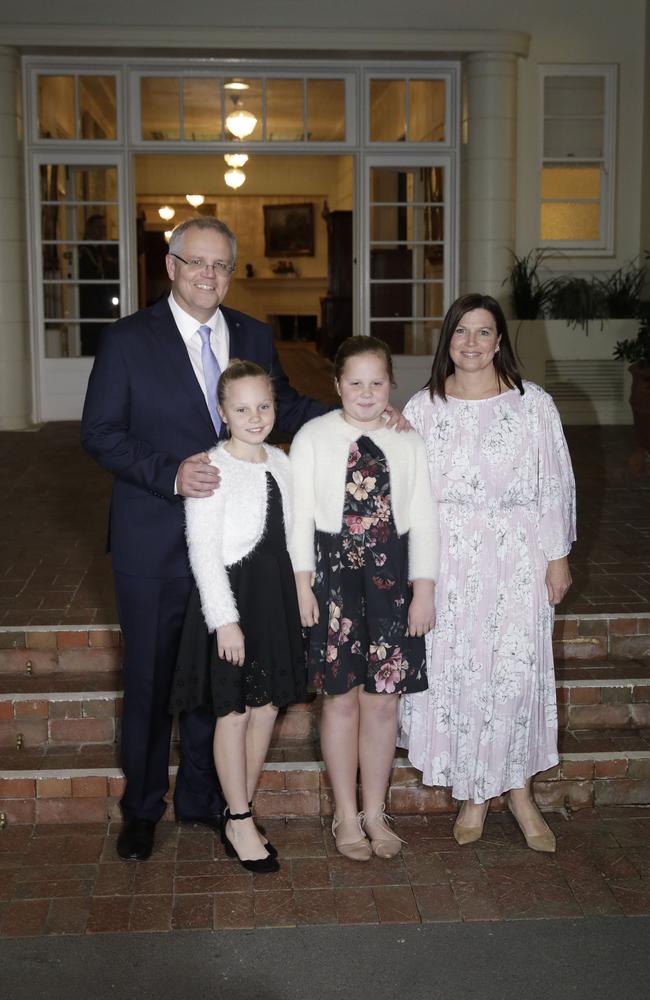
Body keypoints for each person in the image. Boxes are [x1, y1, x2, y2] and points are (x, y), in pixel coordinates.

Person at [81, 217, 330, 863]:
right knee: (152, 680)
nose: (208, 276)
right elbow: (101, 432)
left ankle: (204, 799)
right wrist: (169, 474)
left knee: (217, 684)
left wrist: (358, 409)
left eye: (220, 265)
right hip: (154, 543)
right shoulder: (128, 340)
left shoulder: (250, 333)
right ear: (170, 266)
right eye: (196, 263)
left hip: (236, 553)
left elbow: (285, 406)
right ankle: (140, 810)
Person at [398, 293, 576, 853]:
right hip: (449, 560)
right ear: (446, 340)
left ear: (499, 340)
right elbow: (406, 492)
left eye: (483, 332)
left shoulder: (533, 404)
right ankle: (474, 795)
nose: (471, 343)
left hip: (518, 557)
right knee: (464, 673)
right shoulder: (423, 408)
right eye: (460, 332)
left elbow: (555, 483)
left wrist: (557, 554)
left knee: (515, 674)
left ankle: (519, 792)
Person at [289, 336, 439, 861]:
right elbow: (298, 516)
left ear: (391, 385)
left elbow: (424, 519)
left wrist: (424, 591)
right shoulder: (313, 436)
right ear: (336, 385)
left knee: (382, 701)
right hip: (334, 582)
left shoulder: (408, 441)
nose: (367, 392)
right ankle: (344, 814)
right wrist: (303, 582)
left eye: (377, 382)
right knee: (340, 699)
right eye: (355, 382)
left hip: (391, 584)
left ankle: (375, 811)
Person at [170, 360, 304, 874]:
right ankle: (243, 815)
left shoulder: (282, 460)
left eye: (264, 406)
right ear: (222, 412)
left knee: (267, 707)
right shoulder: (210, 466)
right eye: (242, 408)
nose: (255, 416)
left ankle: (235, 810)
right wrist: (224, 620)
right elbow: (202, 552)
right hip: (233, 599)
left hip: (275, 597)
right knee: (235, 711)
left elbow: (294, 536)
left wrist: (302, 590)